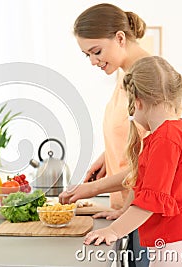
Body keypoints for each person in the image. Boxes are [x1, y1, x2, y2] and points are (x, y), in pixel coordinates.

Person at [83, 56, 182, 266]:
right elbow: (144, 185)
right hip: (177, 249)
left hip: (179, 252)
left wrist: (114, 231)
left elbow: (150, 202)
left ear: (138, 102)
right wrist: (123, 212)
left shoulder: (166, 139)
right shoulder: (168, 133)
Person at [59, 3, 150, 266]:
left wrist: (90, 189)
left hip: (144, 218)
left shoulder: (146, 78)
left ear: (120, 38)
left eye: (96, 51)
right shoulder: (126, 76)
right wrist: (106, 157)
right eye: (87, 55)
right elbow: (135, 137)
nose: (92, 61)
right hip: (128, 210)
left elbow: (150, 161)